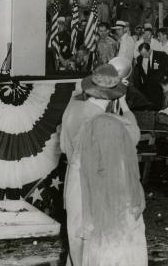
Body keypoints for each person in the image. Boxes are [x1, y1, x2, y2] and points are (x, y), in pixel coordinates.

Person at [61, 64, 143, 266]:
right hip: (96, 187)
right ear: (114, 95)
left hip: (73, 182)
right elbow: (135, 136)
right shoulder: (108, 121)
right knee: (96, 241)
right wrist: (124, 106)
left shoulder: (71, 109)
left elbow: (63, 146)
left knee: (76, 238)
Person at [133, 42, 168, 110]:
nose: (144, 56)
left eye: (145, 54)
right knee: (149, 107)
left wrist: (166, 75)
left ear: (150, 50)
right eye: (142, 54)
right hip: (147, 88)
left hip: (158, 86)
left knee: (158, 106)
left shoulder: (161, 55)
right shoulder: (139, 58)